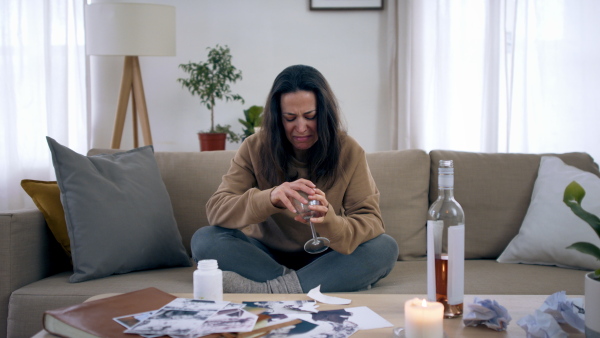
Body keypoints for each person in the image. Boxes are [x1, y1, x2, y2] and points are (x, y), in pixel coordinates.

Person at [191, 64, 398, 293]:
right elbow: (217, 209)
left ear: (325, 113)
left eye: (311, 116)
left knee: (385, 247)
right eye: (290, 118)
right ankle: (304, 286)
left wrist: (329, 220)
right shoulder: (254, 147)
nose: (301, 128)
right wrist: (269, 198)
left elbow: (371, 221)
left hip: (327, 257)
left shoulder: (349, 150)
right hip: (265, 257)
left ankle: (271, 291)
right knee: (204, 239)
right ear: (278, 118)